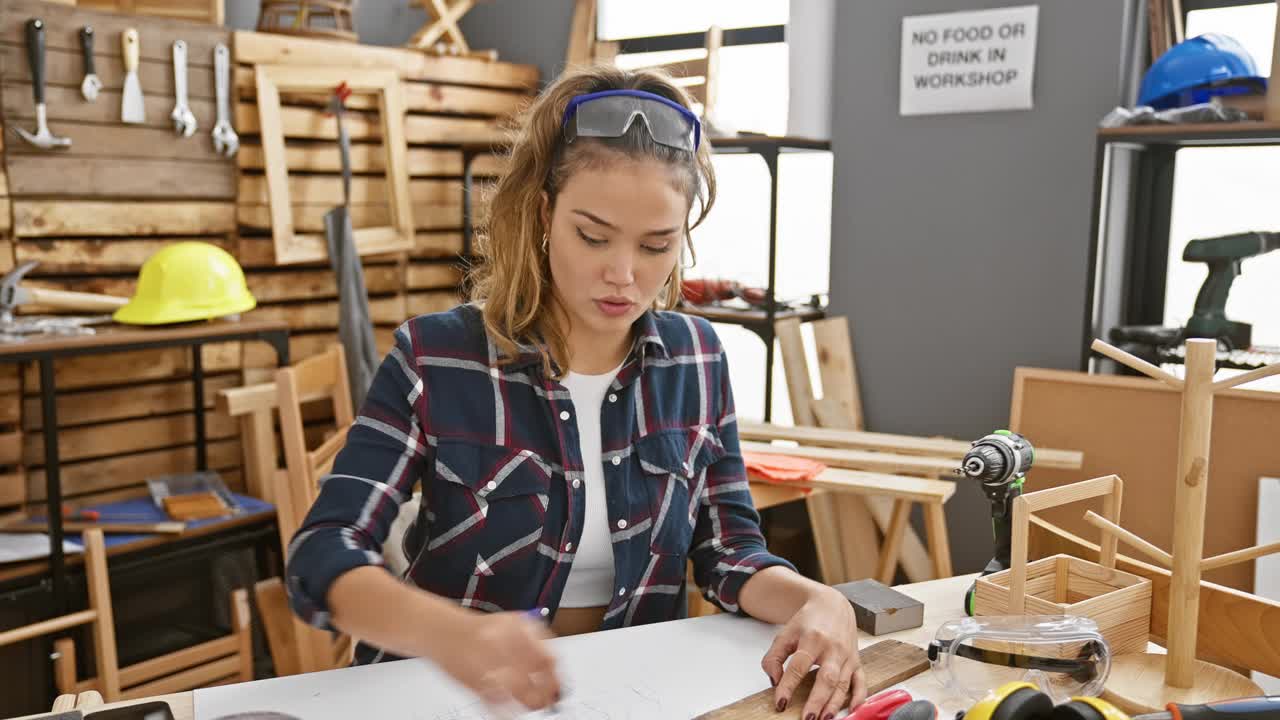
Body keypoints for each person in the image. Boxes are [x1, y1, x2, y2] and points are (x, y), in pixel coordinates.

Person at [285, 65, 865, 720]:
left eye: (656, 245)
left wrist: (821, 601)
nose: (623, 274)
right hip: (447, 701)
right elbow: (320, 554)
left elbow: (729, 554)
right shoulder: (436, 358)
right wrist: (453, 637)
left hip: (627, 699)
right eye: (593, 236)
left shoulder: (697, 359)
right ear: (543, 214)